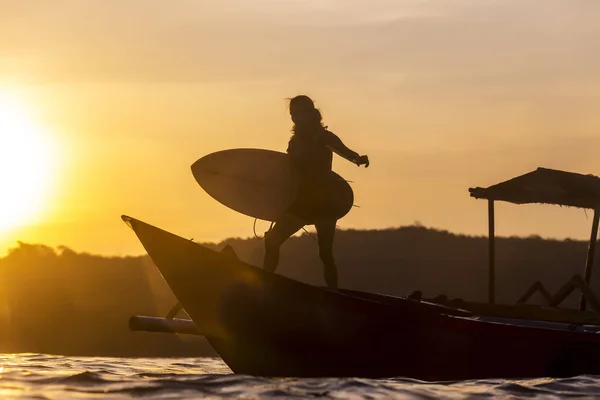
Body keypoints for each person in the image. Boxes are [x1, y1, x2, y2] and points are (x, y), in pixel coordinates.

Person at [263, 95, 369, 290]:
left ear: (309, 113)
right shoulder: (294, 143)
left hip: (325, 201)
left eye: (298, 114)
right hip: (303, 200)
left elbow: (344, 151)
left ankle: (334, 295)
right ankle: (264, 284)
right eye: (292, 114)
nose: (294, 118)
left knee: (325, 253)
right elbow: (288, 175)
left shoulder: (324, 137)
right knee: (271, 241)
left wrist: (358, 159)